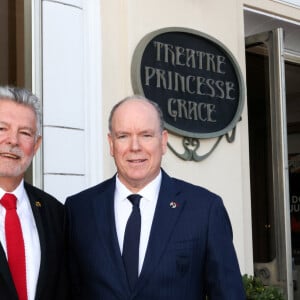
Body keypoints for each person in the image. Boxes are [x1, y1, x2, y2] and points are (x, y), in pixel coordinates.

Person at [65, 95, 245, 299]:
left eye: (146, 135)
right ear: (111, 144)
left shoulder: (205, 210)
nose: (135, 147)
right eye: (123, 136)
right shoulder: (79, 210)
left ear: (163, 141)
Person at [0, 86, 68, 300]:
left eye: (25, 133)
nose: (13, 140)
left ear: (36, 145)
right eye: (2, 129)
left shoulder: (55, 213)